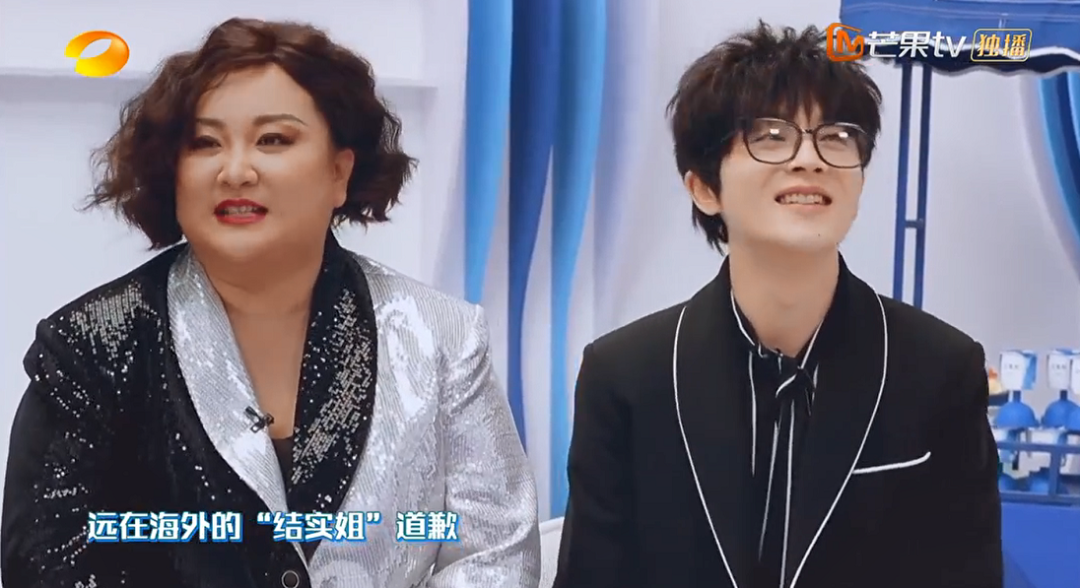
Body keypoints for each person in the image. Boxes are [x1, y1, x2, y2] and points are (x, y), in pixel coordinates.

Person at [1, 18, 540, 588]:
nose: (236, 171)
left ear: (339, 171)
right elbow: (46, 566)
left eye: (273, 140)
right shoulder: (93, 344)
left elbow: (494, 556)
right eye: (205, 143)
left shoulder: (441, 335)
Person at [553, 22, 1002, 588]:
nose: (810, 158)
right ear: (703, 188)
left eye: (837, 137)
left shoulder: (940, 369)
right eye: (771, 136)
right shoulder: (626, 376)